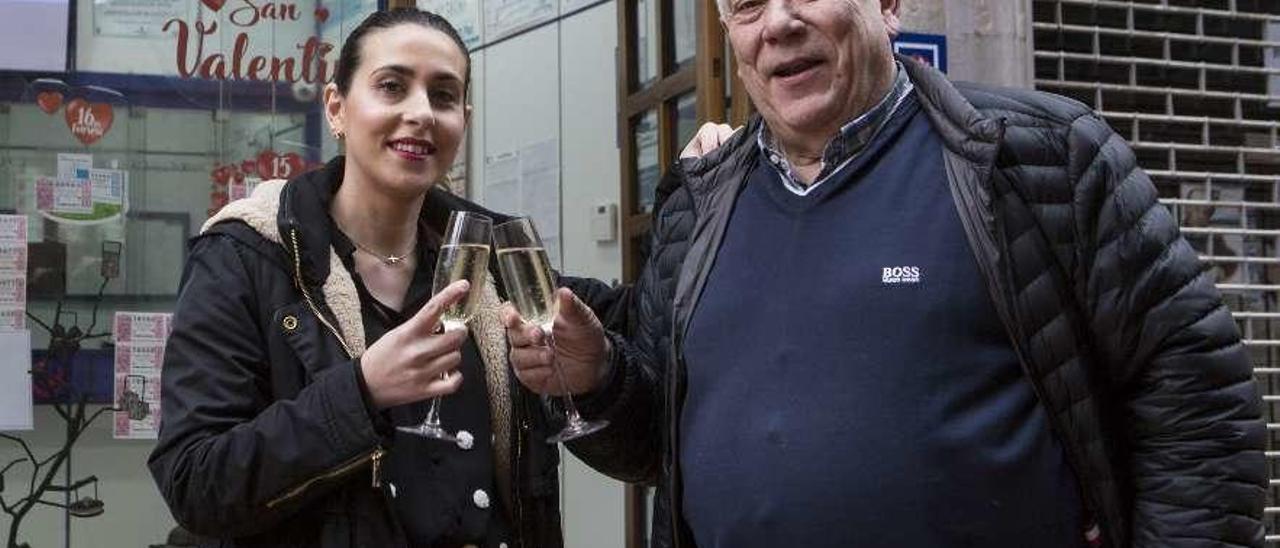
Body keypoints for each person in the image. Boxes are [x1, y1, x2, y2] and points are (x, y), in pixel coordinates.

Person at [504, 0, 1266, 546]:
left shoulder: (1044, 159)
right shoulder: (694, 208)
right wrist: (598, 379)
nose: (778, 23)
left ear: (888, 4)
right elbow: (659, 451)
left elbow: (1199, 402)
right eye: (746, 4)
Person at [148, 9, 618, 547]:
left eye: (443, 97)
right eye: (392, 87)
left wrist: (701, 184)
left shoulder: (487, 262)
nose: (421, 113)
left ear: (463, 119)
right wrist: (362, 391)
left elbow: (639, 321)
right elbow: (194, 480)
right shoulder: (244, 257)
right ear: (337, 108)